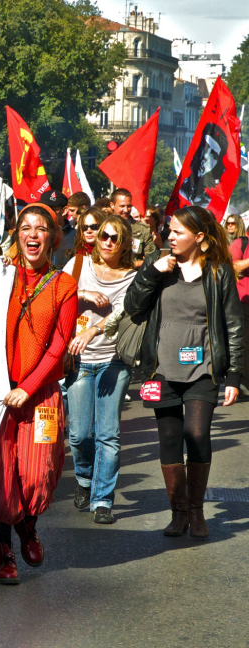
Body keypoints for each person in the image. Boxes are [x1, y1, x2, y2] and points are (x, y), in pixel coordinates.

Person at [123, 206, 243, 541]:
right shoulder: (159, 264)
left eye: (177, 232)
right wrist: (151, 273)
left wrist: (234, 375)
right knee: (170, 439)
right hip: (161, 370)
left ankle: (196, 510)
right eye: (169, 231)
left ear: (199, 237)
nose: (169, 236)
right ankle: (178, 513)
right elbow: (133, 307)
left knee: (198, 434)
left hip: (203, 370)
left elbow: (233, 325)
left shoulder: (218, 272)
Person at [0, 203, 77, 585]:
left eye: (40, 228)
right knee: (0, 479)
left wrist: (28, 388)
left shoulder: (64, 284)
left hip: (40, 396)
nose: (32, 234)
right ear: (17, 234)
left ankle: (29, 527)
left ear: (52, 237)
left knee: (38, 476)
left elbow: (60, 342)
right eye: (25, 227)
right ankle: (5, 552)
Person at [63, 216, 138, 524]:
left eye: (114, 237)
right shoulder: (78, 266)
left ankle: (103, 500)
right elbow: (55, 293)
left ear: (124, 244)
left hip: (114, 361)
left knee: (108, 435)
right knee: (80, 435)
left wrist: (92, 331)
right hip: (79, 362)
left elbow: (121, 315)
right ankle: (83, 478)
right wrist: (83, 295)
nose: (106, 241)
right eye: (103, 234)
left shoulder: (132, 277)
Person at [228, 217, 249, 393]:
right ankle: (241, 383)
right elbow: (233, 268)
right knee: (244, 343)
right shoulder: (240, 243)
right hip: (243, 301)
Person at [110, 188, 155, 264]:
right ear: (112, 205)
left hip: (134, 273)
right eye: (122, 206)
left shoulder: (142, 229)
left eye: (129, 206)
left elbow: (151, 258)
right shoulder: (103, 227)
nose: (126, 210)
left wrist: (134, 264)